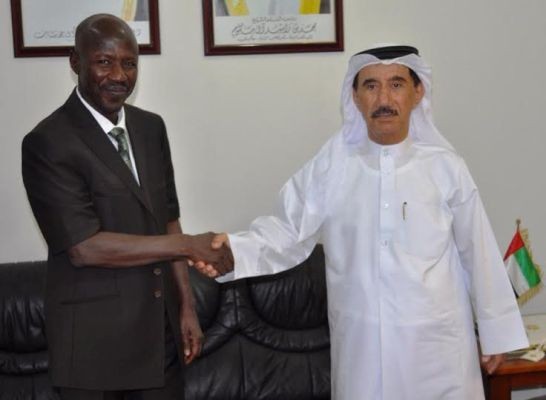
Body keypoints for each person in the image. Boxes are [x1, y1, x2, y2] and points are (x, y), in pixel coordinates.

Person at [193, 45, 529, 399]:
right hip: (362, 349)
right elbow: (287, 229)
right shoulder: (333, 165)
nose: (383, 98)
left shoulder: (446, 167)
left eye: (396, 84)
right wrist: (232, 249)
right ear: (355, 96)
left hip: (436, 349)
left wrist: (496, 333)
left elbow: (477, 250)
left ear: (418, 93)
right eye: (370, 86)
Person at [21, 14, 231, 399]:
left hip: (160, 339)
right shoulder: (48, 142)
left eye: (129, 63)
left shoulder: (151, 128)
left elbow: (168, 218)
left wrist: (186, 306)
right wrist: (187, 245)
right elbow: (85, 248)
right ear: (75, 62)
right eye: (104, 61)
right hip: (93, 351)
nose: (119, 74)